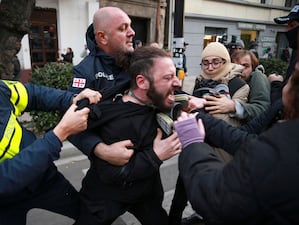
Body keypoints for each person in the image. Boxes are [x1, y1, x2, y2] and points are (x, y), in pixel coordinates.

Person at [174, 61, 299, 224]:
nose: (210, 67)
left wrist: (193, 145)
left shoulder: (281, 150)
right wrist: (199, 115)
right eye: (205, 62)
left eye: (294, 77)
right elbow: (245, 134)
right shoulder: (279, 113)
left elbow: (217, 198)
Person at [75, 46, 182, 225]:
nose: (177, 83)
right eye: (168, 77)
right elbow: (111, 173)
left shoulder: (153, 98)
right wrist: (156, 156)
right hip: (105, 197)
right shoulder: (116, 120)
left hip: (146, 195)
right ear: (141, 82)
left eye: (175, 75)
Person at [0, 79, 101, 225]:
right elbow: (4, 179)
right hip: (5, 202)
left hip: (44, 178)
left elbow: (33, 94)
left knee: (86, 215)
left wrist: (72, 99)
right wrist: (60, 132)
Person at [67, 6, 136, 165]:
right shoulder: (85, 71)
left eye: (130, 25)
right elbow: (71, 123)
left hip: (147, 169)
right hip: (107, 173)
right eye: (123, 28)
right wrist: (102, 150)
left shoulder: (140, 62)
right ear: (102, 37)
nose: (132, 32)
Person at [269, 3, 299, 104]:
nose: (287, 30)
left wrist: (275, 84)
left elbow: (285, 102)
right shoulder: (296, 52)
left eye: (292, 25)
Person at [230, 50, 270, 122]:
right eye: (236, 66)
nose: (241, 70)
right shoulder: (231, 79)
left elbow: (262, 109)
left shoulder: (257, 77)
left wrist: (234, 107)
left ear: (253, 67)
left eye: (245, 66)